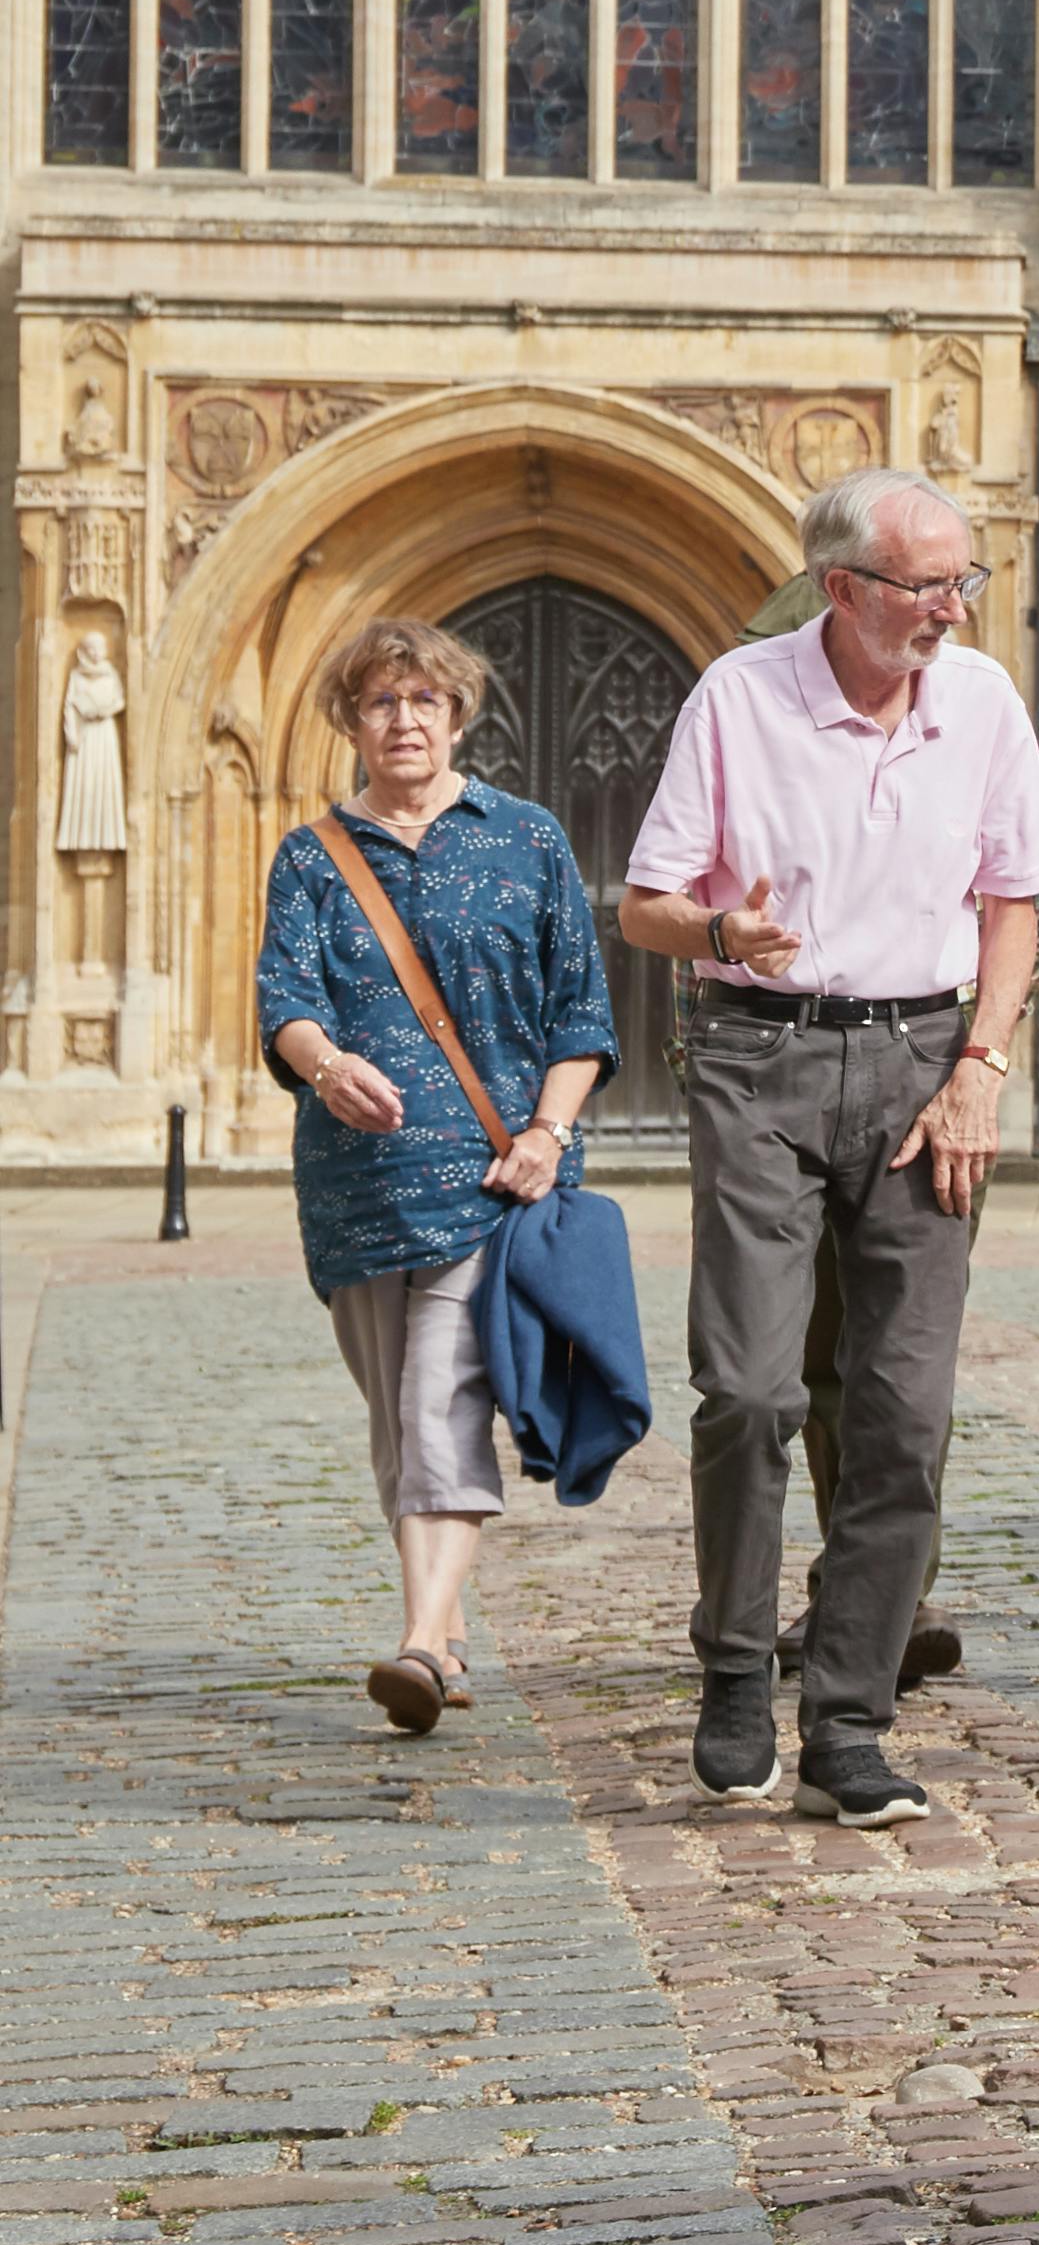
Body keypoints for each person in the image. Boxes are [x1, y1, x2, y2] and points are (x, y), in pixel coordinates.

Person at [622, 472, 1039, 1828]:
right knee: (750, 1390)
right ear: (842, 587)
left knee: (903, 1412)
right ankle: (739, 1669)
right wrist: (717, 937)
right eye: (922, 584)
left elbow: (1016, 905)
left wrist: (983, 1067)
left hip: (928, 1067)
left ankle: (852, 1719)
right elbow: (647, 905)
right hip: (762, 1057)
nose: (947, 607)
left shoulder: (983, 701)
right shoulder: (739, 698)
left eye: (962, 582)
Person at [256, 618, 616, 1739]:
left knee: (438, 1398)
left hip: (493, 1177)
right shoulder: (313, 855)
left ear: (457, 715)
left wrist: (548, 1135)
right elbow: (285, 999)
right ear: (351, 723)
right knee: (395, 1417)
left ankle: (416, 1645)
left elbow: (582, 1014)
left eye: (423, 702)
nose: (403, 721)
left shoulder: (527, 837)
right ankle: (445, 1623)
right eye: (379, 703)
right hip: (358, 1183)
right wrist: (325, 1063)